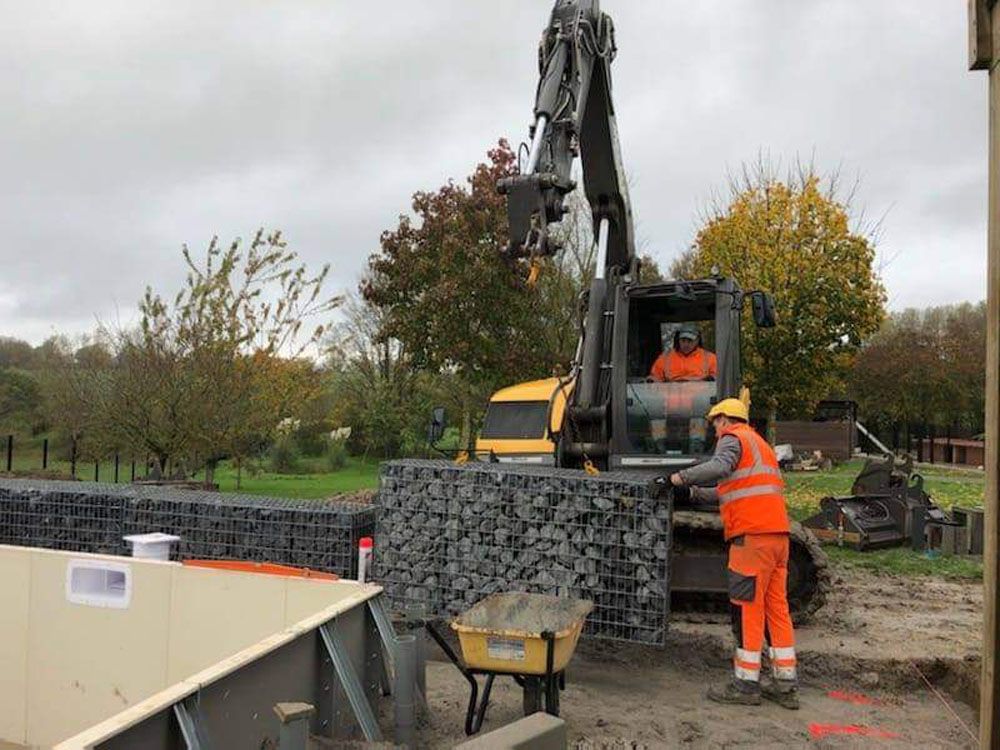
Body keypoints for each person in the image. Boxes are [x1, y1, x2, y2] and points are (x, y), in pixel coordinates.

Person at [668, 398, 798, 709]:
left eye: (715, 422)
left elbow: (719, 467)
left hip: (750, 539)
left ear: (726, 419)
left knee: (746, 609)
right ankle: (785, 683)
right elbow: (730, 488)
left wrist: (680, 478)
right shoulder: (760, 446)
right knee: (776, 607)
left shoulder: (733, 437)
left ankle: (745, 684)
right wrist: (693, 493)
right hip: (777, 537)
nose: (715, 430)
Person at [649, 324, 717, 382]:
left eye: (690, 341)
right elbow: (655, 378)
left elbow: (717, 378)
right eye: (683, 340)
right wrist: (651, 380)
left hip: (702, 396)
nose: (686, 344)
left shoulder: (710, 358)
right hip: (672, 394)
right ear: (678, 340)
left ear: (697, 341)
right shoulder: (665, 358)